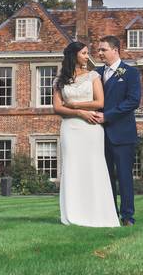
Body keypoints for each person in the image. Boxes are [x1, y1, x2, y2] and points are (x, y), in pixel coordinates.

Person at [52, 41, 120, 227]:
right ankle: (73, 213)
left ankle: (98, 214)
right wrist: (79, 113)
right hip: (70, 128)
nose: (87, 56)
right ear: (74, 55)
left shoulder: (93, 76)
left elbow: (99, 102)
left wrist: (75, 105)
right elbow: (57, 107)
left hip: (91, 129)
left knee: (94, 167)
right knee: (72, 168)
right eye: (83, 53)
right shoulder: (60, 80)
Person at [94, 35, 141, 226]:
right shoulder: (95, 73)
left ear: (115, 50)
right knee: (105, 177)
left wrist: (107, 116)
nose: (99, 53)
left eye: (103, 50)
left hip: (122, 134)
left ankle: (127, 216)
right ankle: (110, 214)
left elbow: (133, 101)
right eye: (99, 50)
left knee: (124, 177)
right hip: (98, 134)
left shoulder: (130, 72)